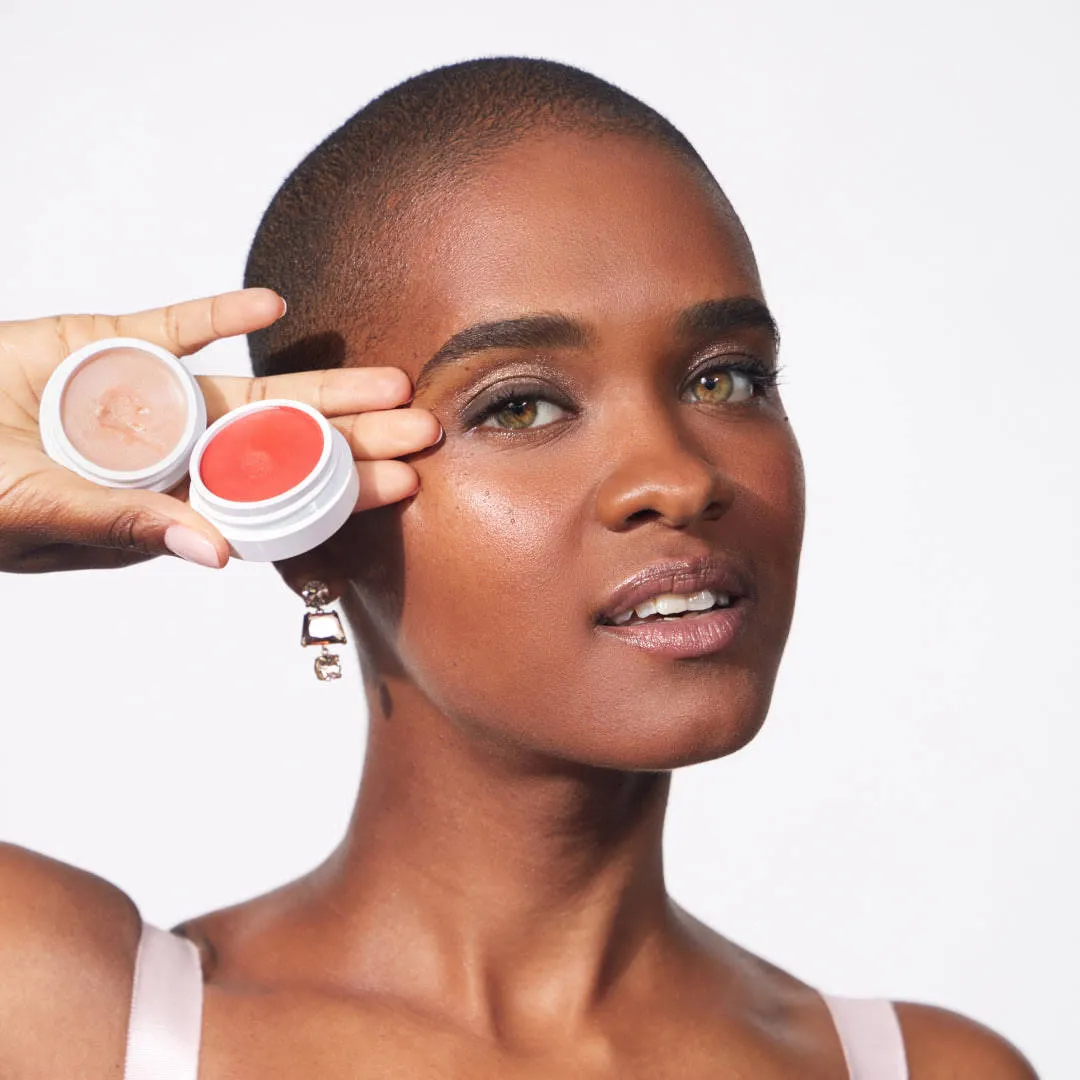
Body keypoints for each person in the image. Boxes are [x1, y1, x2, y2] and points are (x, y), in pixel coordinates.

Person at [0, 58, 1037, 1079]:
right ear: (310, 517)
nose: (679, 479)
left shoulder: (933, 1070)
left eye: (725, 379)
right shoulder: (64, 1018)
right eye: (521, 405)